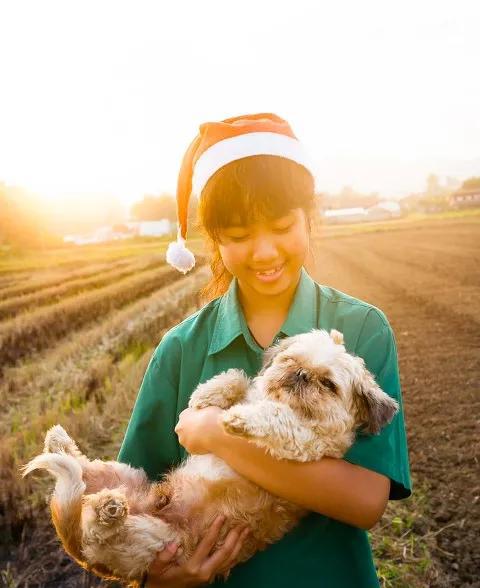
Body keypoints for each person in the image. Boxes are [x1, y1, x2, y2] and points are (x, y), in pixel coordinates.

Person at [117, 112, 412, 587]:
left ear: (308, 217)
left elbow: (364, 501)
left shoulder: (361, 330)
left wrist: (216, 433)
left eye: (280, 226)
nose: (264, 252)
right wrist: (161, 580)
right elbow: (133, 498)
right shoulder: (180, 350)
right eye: (238, 236)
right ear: (214, 239)